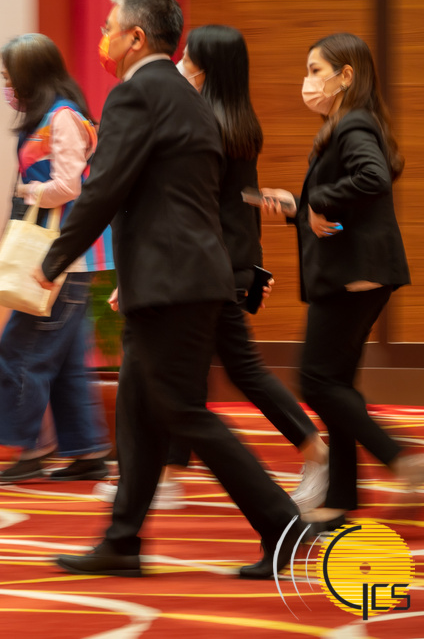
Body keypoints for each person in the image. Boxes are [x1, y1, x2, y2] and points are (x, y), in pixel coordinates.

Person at [40, 0, 306, 580]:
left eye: (109, 26)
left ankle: (284, 527)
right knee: (139, 413)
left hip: (172, 282)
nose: (103, 36)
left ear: (135, 37)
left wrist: (52, 260)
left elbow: (104, 188)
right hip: (180, 278)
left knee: (183, 412)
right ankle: (122, 540)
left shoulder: (136, 94)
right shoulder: (186, 97)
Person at [93, 25, 329, 510]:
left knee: (207, 374)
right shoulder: (232, 119)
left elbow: (205, 211)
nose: (180, 63)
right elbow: (238, 207)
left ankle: (314, 457)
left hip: (206, 266)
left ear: (206, 66)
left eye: (189, 57)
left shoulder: (205, 122)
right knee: (195, 375)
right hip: (222, 263)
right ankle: (165, 476)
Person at [258, 32, 416, 530]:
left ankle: (400, 459)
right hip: (355, 272)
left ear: (346, 76)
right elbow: (347, 212)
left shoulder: (353, 124)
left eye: (315, 71)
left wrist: (319, 200)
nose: (307, 82)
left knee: (317, 380)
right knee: (335, 383)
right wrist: (298, 207)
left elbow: (373, 179)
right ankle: (343, 496)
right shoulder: (345, 124)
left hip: (354, 275)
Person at [0, 34, 111, 484]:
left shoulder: (62, 118)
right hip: (65, 259)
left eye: (9, 78)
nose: (6, 86)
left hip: (58, 261)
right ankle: (88, 453)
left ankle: (29, 449)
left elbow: (70, 186)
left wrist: (29, 192)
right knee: (67, 364)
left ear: (30, 76)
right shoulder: (53, 117)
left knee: (18, 354)